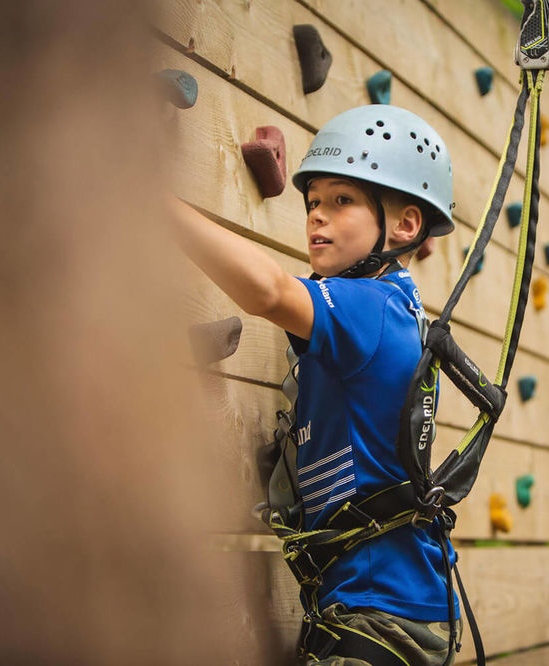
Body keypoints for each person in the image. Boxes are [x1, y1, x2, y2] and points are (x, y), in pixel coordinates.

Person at [169, 105, 461, 665]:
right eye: (312, 203)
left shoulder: (370, 309)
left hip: (381, 612)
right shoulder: (392, 311)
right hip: (385, 607)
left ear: (405, 225)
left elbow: (270, 293)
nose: (317, 217)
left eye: (342, 200)